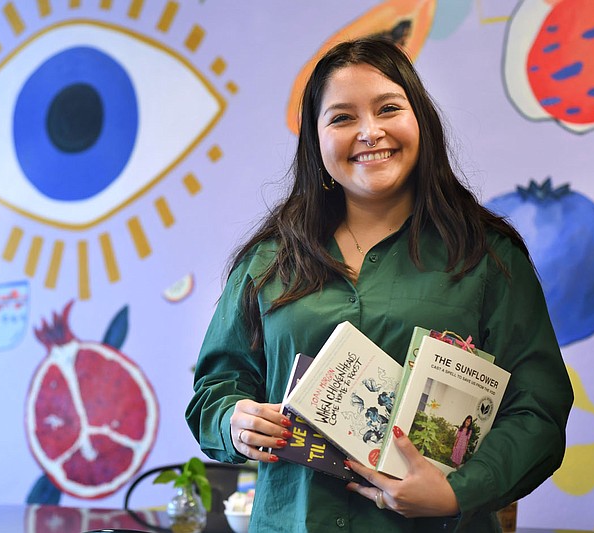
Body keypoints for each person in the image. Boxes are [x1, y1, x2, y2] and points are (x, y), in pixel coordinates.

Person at [186, 36, 573, 532]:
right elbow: (215, 389)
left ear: (421, 123)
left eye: (388, 108)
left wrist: (458, 491)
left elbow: (538, 409)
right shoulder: (269, 260)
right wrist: (233, 422)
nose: (370, 132)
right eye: (342, 117)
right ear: (316, 139)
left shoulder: (488, 258)